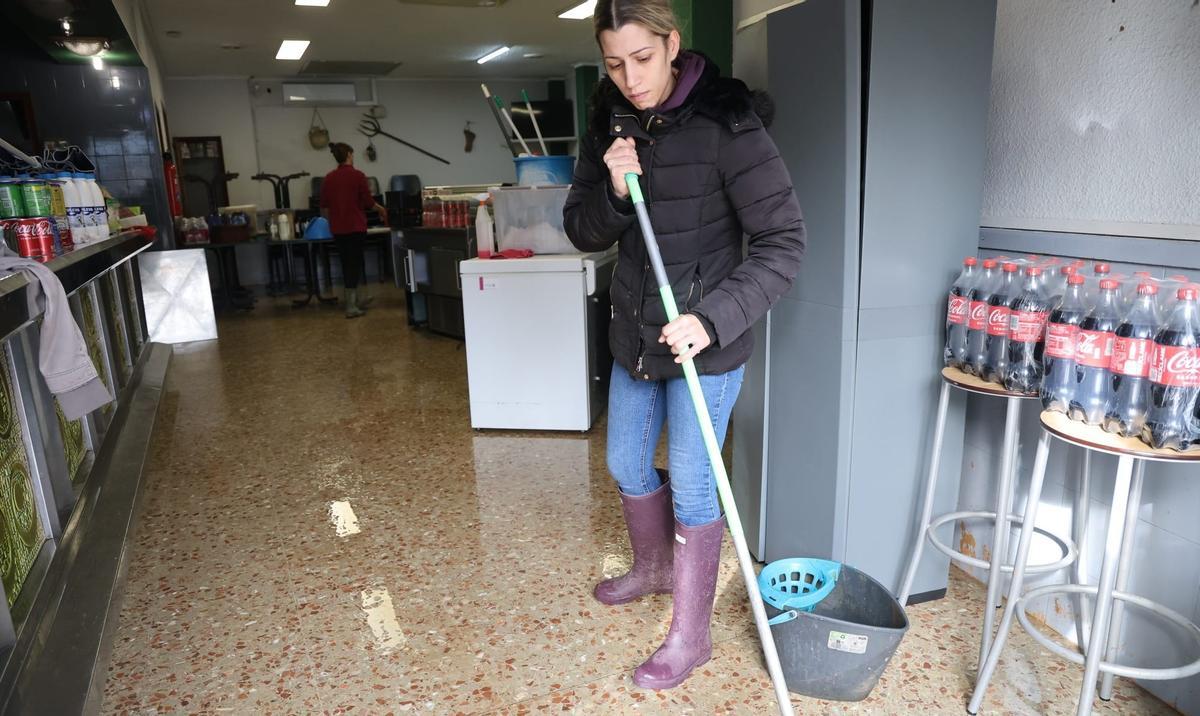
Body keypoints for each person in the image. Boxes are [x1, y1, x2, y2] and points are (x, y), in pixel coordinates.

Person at [563, 0, 806, 691]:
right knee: (625, 461)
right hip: (635, 336)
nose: (630, 78)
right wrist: (613, 188)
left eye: (642, 59)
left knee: (697, 486)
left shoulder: (730, 124)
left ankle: (690, 636)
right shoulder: (609, 118)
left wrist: (713, 317)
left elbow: (785, 241)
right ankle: (655, 568)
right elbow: (583, 229)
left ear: (672, 45)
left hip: (704, 342)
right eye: (614, 63)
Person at [319, 142, 387, 318]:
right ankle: (351, 306)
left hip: (338, 228)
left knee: (346, 263)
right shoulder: (358, 176)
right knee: (354, 264)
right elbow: (368, 202)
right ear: (349, 154)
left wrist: (330, 223)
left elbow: (324, 205)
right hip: (355, 227)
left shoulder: (329, 178)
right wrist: (381, 209)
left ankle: (353, 300)